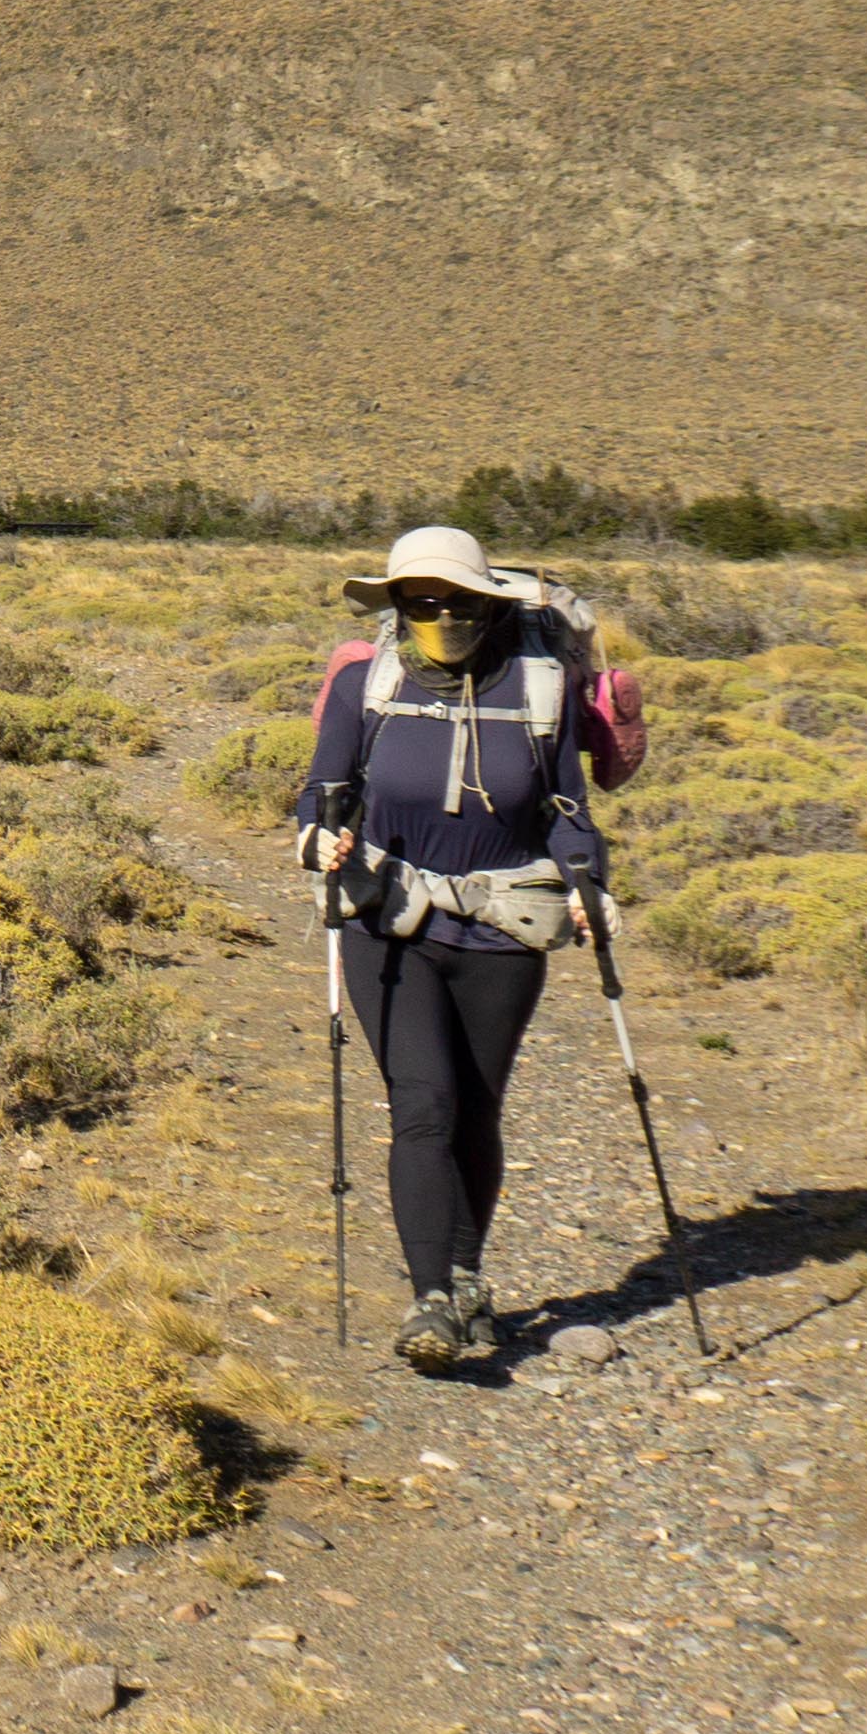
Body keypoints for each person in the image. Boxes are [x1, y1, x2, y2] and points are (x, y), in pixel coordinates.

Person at [289, 523, 607, 1371]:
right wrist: (317, 840)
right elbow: (323, 790)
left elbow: (568, 810)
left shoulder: (539, 688)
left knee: (476, 1106)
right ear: (395, 606)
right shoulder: (368, 682)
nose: (437, 614)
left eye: (454, 601)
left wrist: (586, 882)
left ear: (487, 603)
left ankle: (468, 1278)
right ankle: (431, 1301)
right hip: (388, 918)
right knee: (422, 1104)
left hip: (504, 926)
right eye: (418, 601)